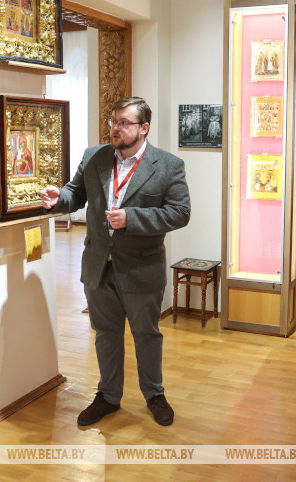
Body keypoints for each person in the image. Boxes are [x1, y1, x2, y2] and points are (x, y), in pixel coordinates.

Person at [40, 97, 191, 427]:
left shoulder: (167, 165)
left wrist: (132, 218)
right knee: (105, 334)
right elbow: (74, 193)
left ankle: (154, 394)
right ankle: (108, 396)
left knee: (145, 334)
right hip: (98, 266)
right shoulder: (94, 157)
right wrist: (58, 200)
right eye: (113, 121)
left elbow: (180, 213)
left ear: (143, 128)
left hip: (142, 268)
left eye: (124, 123)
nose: (116, 128)